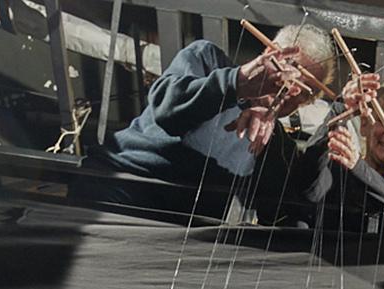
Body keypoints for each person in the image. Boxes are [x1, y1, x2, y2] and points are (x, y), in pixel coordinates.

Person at [81, 25, 337, 222]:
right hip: (123, 188)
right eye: (290, 72)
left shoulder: (275, 142)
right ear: (270, 54)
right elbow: (165, 107)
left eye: (306, 92)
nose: (291, 90)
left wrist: (342, 111)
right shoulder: (207, 59)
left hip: (180, 233)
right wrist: (238, 84)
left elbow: (298, 201)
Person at [310, 77, 384, 233]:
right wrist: (341, 108)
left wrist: (357, 166)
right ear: (363, 125)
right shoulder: (334, 175)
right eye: (383, 120)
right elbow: (307, 169)